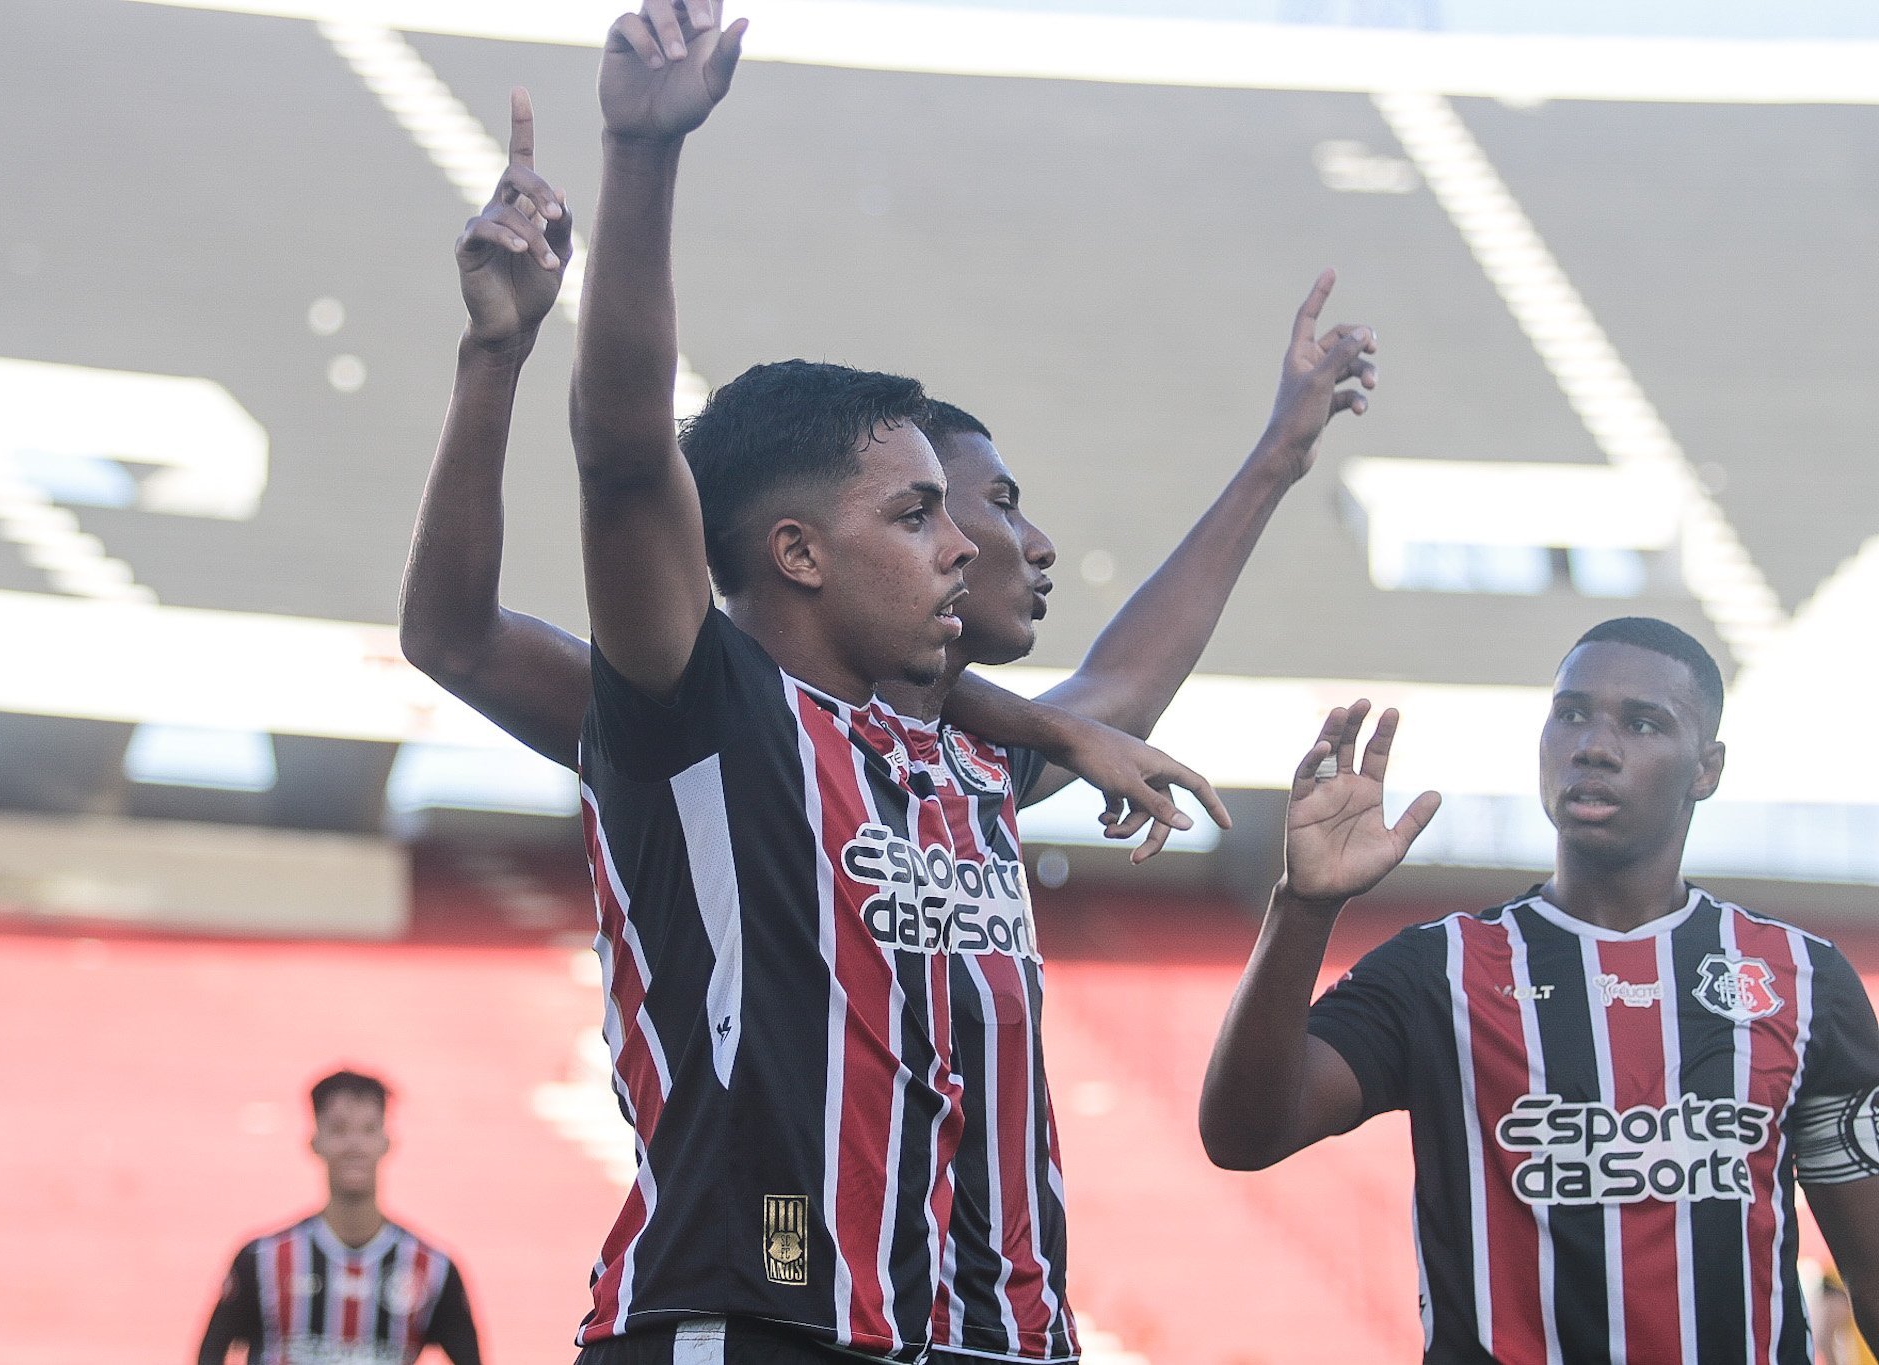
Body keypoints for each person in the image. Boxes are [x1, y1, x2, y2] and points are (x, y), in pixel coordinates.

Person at [399, 47, 1376, 1365]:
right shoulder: (704, 710)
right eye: (923, 515)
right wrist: (642, 155)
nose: (973, 546)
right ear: (796, 551)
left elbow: (1122, 687)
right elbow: (623, 461)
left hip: (994, 1338)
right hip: (760, 1320)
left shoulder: (963, 754)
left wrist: (1279, 456)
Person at [1200, 617, 1879, 1360]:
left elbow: (1871, 1268)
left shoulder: (1803, 981)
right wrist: (1305, 905)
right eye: (1572, 712)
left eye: (1644, 722)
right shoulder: (1440, 969)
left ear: (1706, 768)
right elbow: (1242, 1135)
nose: (1593, 744)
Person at [197, 1071, 480, 1365]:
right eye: (339, 1129)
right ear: (315, 1140)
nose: (354, 1145)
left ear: (386, 1141)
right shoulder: (262, 1260)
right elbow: (209, 1354)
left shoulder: (431, 1266)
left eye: (368, 1129)